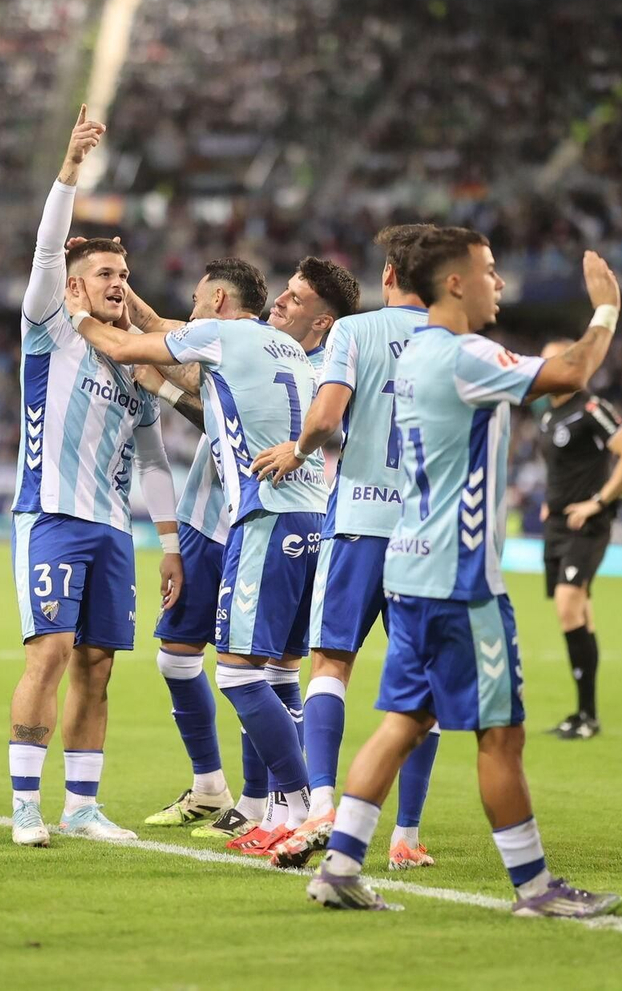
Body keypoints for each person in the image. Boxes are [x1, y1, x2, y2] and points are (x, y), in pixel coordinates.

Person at [305, 228, 622, 918]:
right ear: (454, 283)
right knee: (500, 733)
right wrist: (605, 312)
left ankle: (339, 863)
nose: (499, 283)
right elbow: (569, 374)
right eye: (488, 270)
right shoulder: (463, 355)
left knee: (402, 720)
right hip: (461, 581)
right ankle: (536, 888)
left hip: (410, 568)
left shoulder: (417, 354)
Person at [64, 255, 327, 840]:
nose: (189, 312)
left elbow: (132, 348)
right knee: (262, 666)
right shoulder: (282, 349)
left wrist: (82, 312)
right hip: (309, 514)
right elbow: (162, 333)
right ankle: (275, 808)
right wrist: (125, 292)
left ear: (217, 304)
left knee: (242, 673)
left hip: (263, 517)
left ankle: (301, 806)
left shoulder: (224, 335)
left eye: (197, 301)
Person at [124, 257, 355, 846]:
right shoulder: (263, 344)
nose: (280, 301)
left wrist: (160, 381)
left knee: (258, 667)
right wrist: (126, 296)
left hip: (259, 516)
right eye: (282, 293)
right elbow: (189, 351)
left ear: (322, 323)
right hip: (218, 513)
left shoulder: (320, 367)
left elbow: (217, 403)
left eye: (295, 300)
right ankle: (223, 792)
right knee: (188, 656)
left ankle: (272, 805)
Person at [4, 106, 183, 847]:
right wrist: (71, 165)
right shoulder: (48, 321)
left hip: (113, 527)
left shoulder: (132, 361)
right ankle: (24, 805)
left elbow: (153, 457)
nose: (119, 282)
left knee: (99, 665)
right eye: (107, 273)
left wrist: (169, 541)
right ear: (76, 284)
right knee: (49, 651)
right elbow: (50, 246)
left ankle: (81, 805)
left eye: (125, 274)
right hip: (49, 514)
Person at [249, 224, 445, 871]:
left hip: (360, 519)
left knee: (331, 663)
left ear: (389, 275)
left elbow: (328, 417)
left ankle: (324, 803)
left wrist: (297, 448)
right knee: (422, 687)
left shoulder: (354, 333)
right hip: (426, 534)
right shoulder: (454, 341)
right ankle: (406, 834)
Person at [535, 342, 622, 740]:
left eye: (555, 360)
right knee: (578, 612)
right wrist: (552, 504)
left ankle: (587, 714)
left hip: (588, 524)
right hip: (559, 524)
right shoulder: (548, 414)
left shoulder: (590, 407)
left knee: (569, 604)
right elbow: (565, 470)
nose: (546, 366)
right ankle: (585, 714)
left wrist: (598, 501)